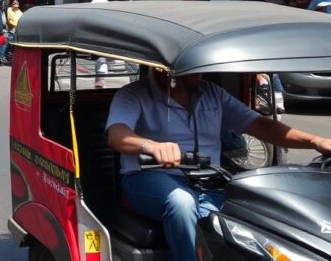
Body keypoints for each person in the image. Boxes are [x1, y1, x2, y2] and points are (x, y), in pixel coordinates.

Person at [106, 68, 331, 261]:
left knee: (253, 213)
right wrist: (150, 146)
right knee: (181, 202)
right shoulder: (133, 94)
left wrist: (315, 141)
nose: (199, 72)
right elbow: (116, 135)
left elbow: (261, 126)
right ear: (166, 69)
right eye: (191, 67)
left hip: (207, 183)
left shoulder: (212, 93)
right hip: (148, 179)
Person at [92, 0, 119, 89]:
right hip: (99, 34)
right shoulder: (98, 2)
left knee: (104, 59)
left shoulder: (105, 1)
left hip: (104, 34)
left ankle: (100, 81)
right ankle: (100, 83)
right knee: (101, 59)